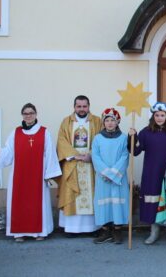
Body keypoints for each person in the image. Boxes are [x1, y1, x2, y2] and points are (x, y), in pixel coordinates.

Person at [0, 103, 61, 242]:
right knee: (19, 202)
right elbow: (9, 152)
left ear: (36, 114)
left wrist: (49, 174)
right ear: (22, 115)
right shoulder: (15, 132)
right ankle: (19, 232)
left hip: (38, 176)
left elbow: (50, 153)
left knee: (39, 203)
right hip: (19, 176)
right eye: (25, 113)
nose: (28, 116)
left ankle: (40, 231)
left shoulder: (44, 132)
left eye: (31, 113)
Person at [128, 102, 166, 244]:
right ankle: (154, 231)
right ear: (153, 116)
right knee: (152, 201)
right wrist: (131, 137)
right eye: (157, 115)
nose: (159, 118)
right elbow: (135, 151)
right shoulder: (146, 132)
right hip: (151, 172)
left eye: (162, 115)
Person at [56, 95, 102, 236]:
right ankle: (71, 228)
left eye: (84, 106)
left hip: (91, 165)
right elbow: (61, 141)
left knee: (91, 194)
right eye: (79, 106)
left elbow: (101, 139)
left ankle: (92, 228)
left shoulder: (97, 121)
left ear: (89, 106)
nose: (82, 109)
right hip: (72, 164)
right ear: (74, 107)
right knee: (72, 193)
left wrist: (91, 155)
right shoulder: (66, 122)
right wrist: (74, 155)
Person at [91, 108, 129, 245]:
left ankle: (118, 230)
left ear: (117, 121)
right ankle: (106, 230)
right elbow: (95, 157)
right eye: (107, 120)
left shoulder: (124, 138)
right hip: (103, 178)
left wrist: (113, 174)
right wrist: (107, 173)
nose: (110, 123)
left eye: (112, 120)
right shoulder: (97, 138)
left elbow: (125, 156)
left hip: (119, 177)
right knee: (104, 202)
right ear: (103, 122)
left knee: (118, 202)